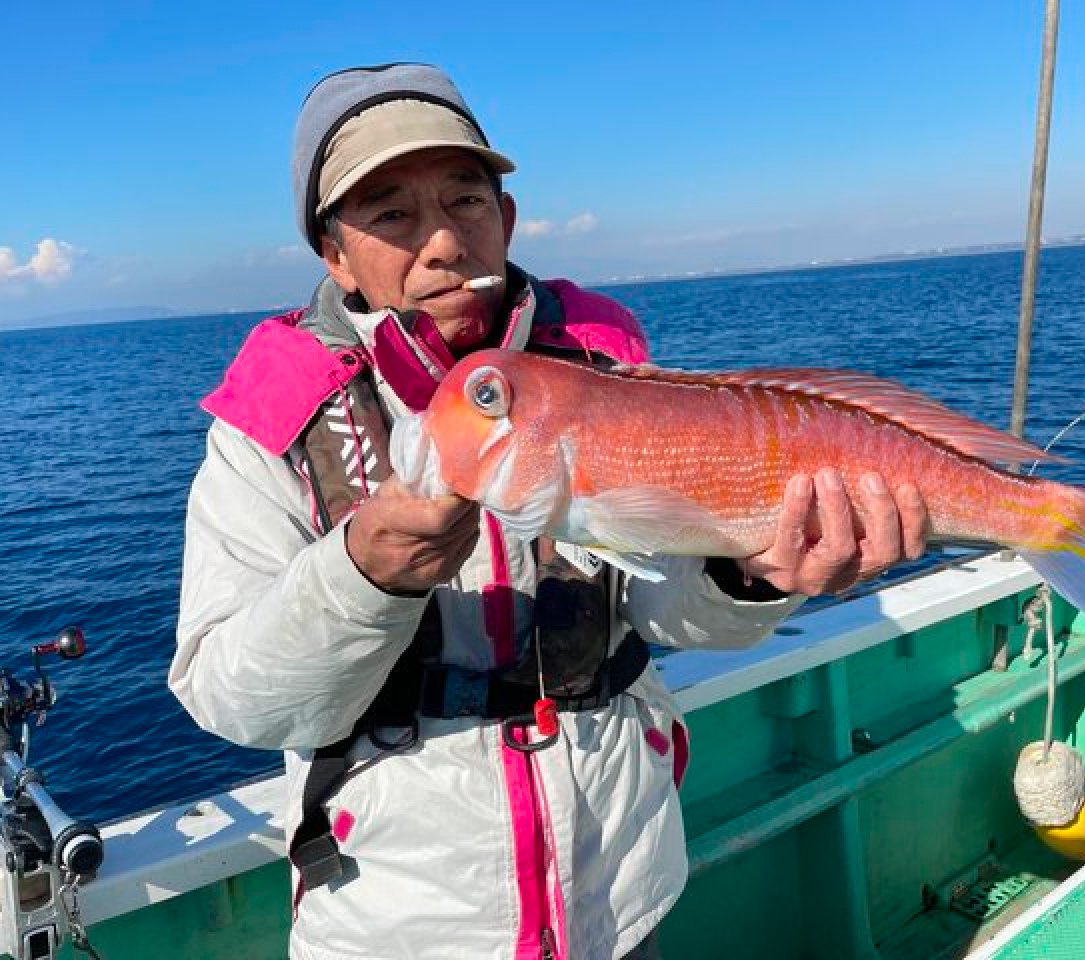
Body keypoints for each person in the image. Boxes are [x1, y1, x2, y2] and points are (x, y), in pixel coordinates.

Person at [170, 62, 929, 960]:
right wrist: (362, 574)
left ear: (508, 219)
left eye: (468, 202)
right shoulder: (275, 430)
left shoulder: (603, 378)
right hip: (396, 930)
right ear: (335, 256)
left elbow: (664, 611)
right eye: (391, 216)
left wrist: (752, 578)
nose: (445, 242)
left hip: (621, 897)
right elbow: (232, 699)